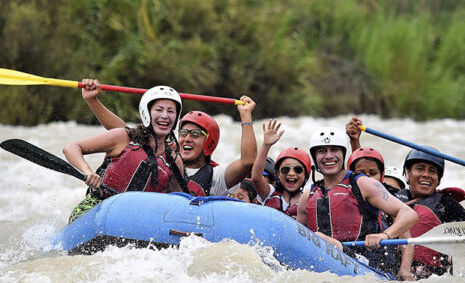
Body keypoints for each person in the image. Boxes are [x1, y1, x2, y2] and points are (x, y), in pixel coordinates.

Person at [79, 79, 257, 197]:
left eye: (195, 134)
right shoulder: (161, 155)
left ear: (209, 142)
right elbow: (124, 134)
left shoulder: (216, 176)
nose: (187, 138)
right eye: (183, 133)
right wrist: (93, 101)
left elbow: (248, 162)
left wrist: (246, 117)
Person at [296, 127, 418, 276]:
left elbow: (409, 214)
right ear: (314, 157)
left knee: (321, 239)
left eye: (334, 150)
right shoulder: (308, 194)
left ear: (344, 154)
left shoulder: (363, 184)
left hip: (368, 263)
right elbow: (297, 236)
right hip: (326, 263)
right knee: (320, 240)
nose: (328, 156)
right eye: (322, 151)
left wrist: (385, 235)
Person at [63, 85, 186, 223]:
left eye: (171, 111)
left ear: (176, 117)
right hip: (98, 207)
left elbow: (177, 205)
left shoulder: (174, 161)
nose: (165, 116)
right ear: (147, 112)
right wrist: (88, 171)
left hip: (138, 220)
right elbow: (71, 148)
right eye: (158, 110)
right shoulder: (123, 137)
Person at [395, 148, 465, 279]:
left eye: (432, 171)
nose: (426, 174)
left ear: (438, 179)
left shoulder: (446, 203)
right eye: (420, 169)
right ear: (407, 173)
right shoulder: (393, 198)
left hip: (430, 276)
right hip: (394, 269)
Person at [345, 147, 414, 280]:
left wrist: (404, 269)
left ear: (381, 176)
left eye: (373, 173)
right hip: (353, 255)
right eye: (361, 173)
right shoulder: (343, 196)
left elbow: (407, 240)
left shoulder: (388, 201)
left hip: (381, 260)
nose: (367, 177)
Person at [251, 119, 311, 218]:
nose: (291, 173)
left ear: (306, 176)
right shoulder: (268, 193)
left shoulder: (309, 200)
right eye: (285, 169)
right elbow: (256, 178)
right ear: (278, 174)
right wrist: (266, 146)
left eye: (298, 170)